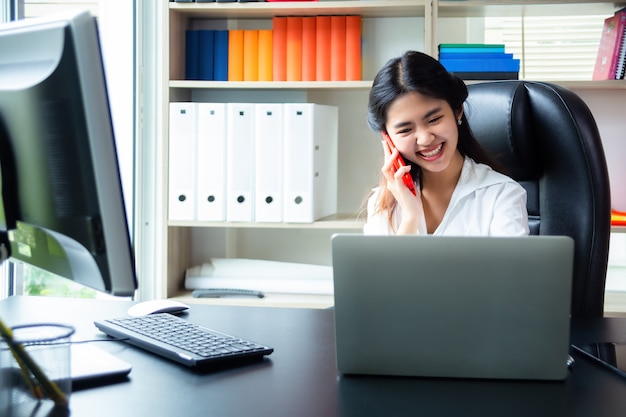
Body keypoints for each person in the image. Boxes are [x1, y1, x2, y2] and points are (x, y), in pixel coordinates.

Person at [363, 50, 529, 236]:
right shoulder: (382, 203)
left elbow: (512, 266)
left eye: (434, 119)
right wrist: (410, 217)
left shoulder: (502, 195)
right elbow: (382, 267)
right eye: (405, 130)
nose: (425, 139)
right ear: (388, 138)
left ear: (457, 111)